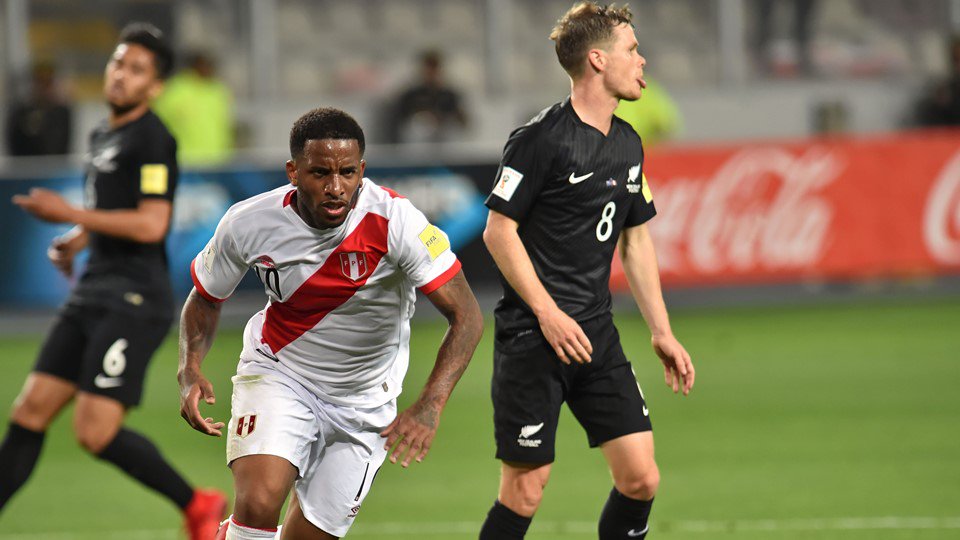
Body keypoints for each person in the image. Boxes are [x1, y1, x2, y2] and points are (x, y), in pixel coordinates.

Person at [179, 107, 483, 540]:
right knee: (259, 502)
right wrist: (189, 367)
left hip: (365, 402)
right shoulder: (248, 222)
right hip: (281, 373)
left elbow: (467, 316)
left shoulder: (397, 221)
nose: (336, 187)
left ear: (362, 170)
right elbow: (206, 297)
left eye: (347, 173)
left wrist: (431, 404)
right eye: (320, 173)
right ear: (293, 172)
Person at [478, 3, 695, 539]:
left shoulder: (628, 143)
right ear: (598, 59)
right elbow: (498, 232)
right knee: (525, 491)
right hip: (533, 338)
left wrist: (662, 331)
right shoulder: (539, 139)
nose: (642, 60)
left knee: (641, 478)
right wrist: (547, 314)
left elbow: (635, 239)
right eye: (632, 50)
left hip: (596, 335)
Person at [2, 23, 227, 538]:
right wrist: (77, 239)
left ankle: (198, 503)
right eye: (118, 63)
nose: (122, 75)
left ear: (156, 86)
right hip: (92, 291)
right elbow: (113, 209)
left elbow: (151, 223)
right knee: (29, 411)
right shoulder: (103, 134)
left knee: (94, 431)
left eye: (137, 69)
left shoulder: (153, 139)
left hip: (133, 298)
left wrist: (68, 212)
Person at [153, 51, 234, 166]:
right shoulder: (175, 90)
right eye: (204, 64)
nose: (208, 68)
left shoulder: (217, 90)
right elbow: (156, 123)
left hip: (218, 162)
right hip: (185, 162)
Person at [387, 50, 468, 143]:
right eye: (428, 68)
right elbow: (399, 120)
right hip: (417, 141)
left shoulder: (449, 95)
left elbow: (462, 121)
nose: (431, 73)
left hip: (444, 139)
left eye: (434, 68)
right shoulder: (411, 95)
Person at [4, 60, 72, 156]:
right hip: (26, 163)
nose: (43, 88)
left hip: (53, 163)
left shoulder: (61, 112)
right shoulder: (20, 112)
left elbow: (61, 145)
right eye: (40, 82)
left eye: (47, 83)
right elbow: (14, 144)